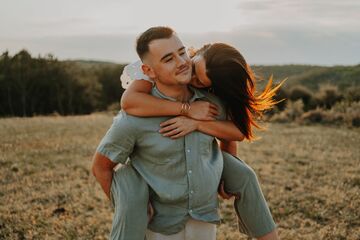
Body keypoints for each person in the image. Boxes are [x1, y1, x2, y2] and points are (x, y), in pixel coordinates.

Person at [120, 37, 283, 239]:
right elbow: (129, 102)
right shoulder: (162, 66)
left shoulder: (220, 86)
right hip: (156, 149)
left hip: (200, 146)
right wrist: (187, 110)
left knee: (245, 176)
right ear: (196, 52)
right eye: (195, 70)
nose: (191, 79)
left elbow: (236, 133)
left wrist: (221, 167)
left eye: (200, 82)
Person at [93, 26, 228, 240]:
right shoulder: (133, 118)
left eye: (182, 52)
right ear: (148, 71)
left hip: (205, 218)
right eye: (168, 59)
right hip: (159, 228)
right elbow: (101, 167)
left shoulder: (210, 102)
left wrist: (225, 176)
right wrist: (129, 207)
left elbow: (228, 136)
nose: (182, 62)